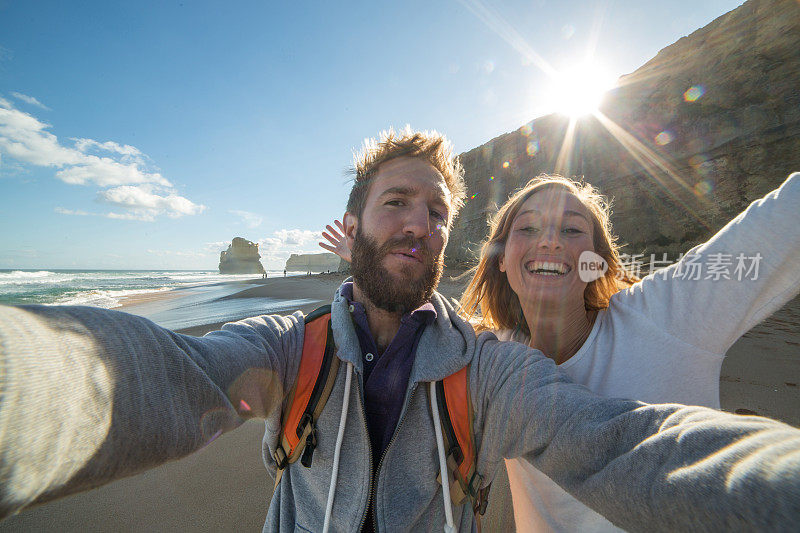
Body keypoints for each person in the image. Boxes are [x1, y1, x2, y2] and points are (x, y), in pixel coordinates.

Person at [2, 129, 800, 533]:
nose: (419, 225)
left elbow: (624, 441)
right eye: (396, 205)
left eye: (437, 213)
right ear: (352, 227)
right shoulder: (292, 346)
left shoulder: (489, 368)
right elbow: (166, 374)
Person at [323, 171, 800, 532]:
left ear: (597, 263)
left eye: (572, 230)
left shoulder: (668, 314)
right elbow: (412, 319)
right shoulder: (486, 357)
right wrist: (369, 262)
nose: (550, 239)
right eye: (527, 229)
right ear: (503, 259)